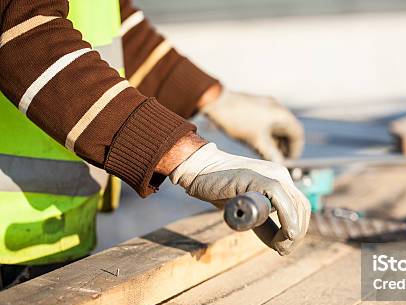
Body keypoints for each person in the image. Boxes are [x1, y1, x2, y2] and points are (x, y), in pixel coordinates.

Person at [0, 0, 310, 288]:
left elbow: (112, 24)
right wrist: (184, 156)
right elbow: (22, 35)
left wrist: (213, 98)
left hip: (48, 237)